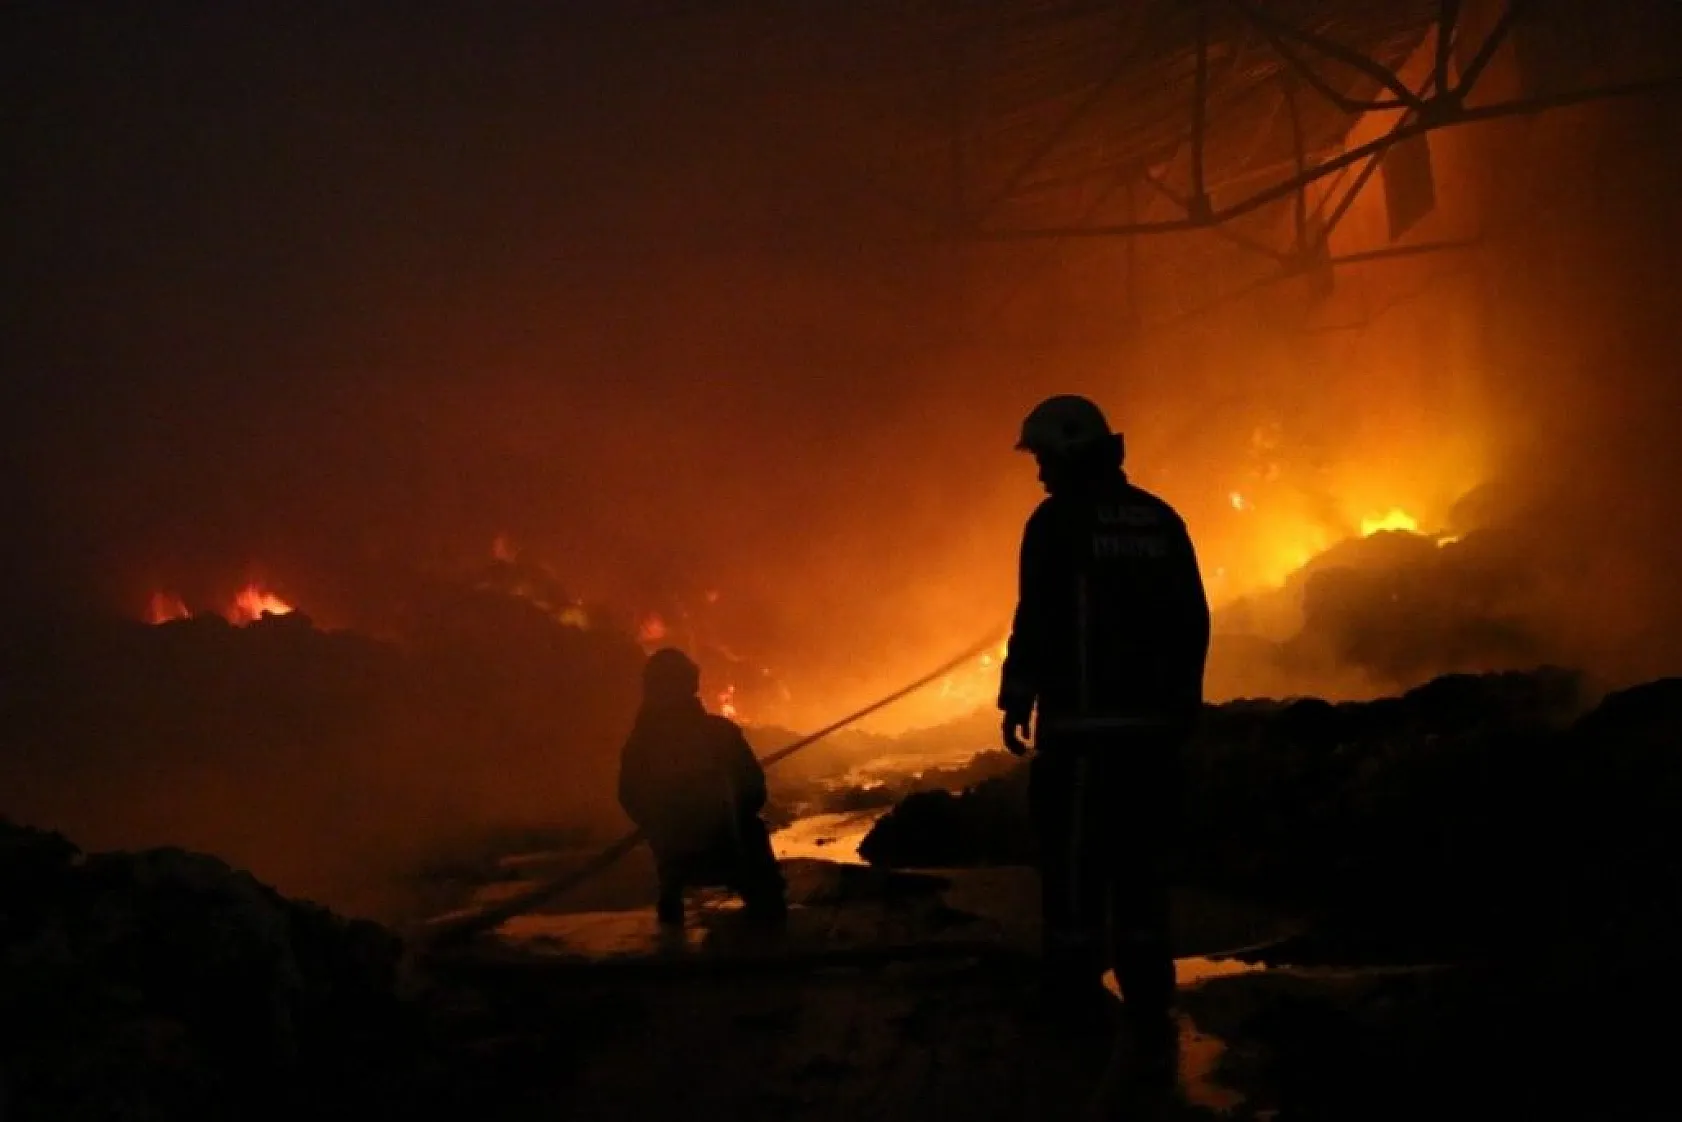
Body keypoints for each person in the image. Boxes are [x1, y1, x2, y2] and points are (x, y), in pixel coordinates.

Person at [997, 394, 1210, 1037]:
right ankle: (1149, 1001)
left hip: (1085, 739)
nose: (1039, 472)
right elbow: (1192, 621)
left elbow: (1036, 621)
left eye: (1042, 457)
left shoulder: (1057, 522)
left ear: (1066, 449)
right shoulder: (1159, 519)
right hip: (1153, 740)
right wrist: (1181, 711)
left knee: (1075, 872)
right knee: (1142, 871)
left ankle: (1074, 999)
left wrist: (1017, 696)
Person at [618, 647, 787, 927]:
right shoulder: (720, 733)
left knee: (671, 894)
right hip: (731, 849)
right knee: (756, 840)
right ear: (691, 685)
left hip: (674, 856)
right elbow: (755, 788)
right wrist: (731, 817)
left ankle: (671, 919)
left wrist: (656, 825)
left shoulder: (641, 744)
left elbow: (628, 795)